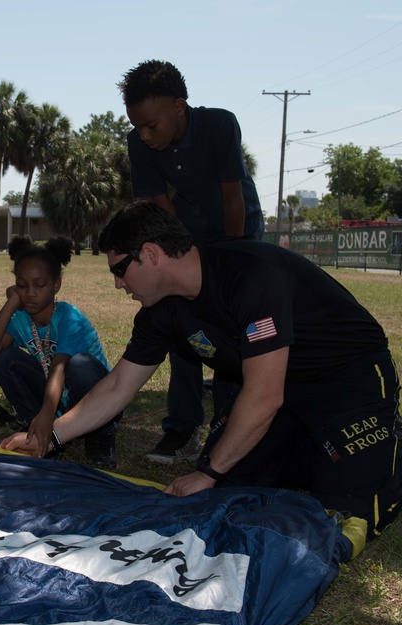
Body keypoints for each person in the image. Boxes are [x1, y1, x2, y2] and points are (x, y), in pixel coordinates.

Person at [1, 202, 402, 542]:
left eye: (120, 270)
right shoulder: (161, 310)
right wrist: (49, 436)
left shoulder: (250, 275)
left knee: (346, 507)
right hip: (279, 388)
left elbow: (264, 396)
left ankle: (399, 452)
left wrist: (209, 472)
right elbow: (117, 385)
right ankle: (323, 445)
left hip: (349, 378)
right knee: (241, 482)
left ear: (150, 254)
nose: (118, 284)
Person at [119, 60, 264, 465]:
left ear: (179, 107)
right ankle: (182, 429)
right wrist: (182, 255)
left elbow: (232, 198)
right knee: (182, 321)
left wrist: (229, 261)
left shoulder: (219, 125)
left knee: (235, 330)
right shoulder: (139, 142)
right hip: (186, 233)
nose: (145, 135)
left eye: (152, 125)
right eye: (138, 126)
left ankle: (228, 426)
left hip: (239, 233)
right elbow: (160, 207)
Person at [0, 236, 119, 468]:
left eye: (39, 285)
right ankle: (37, 429)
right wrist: (11, 303)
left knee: (80, 364)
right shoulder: (21, 318)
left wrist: (46, 415)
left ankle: (100, 433)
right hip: (56, 399)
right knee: (2, 357)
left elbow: (59, 367)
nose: (30, 293)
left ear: (56, 285)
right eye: (22, 286)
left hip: (93, 400)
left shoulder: (70, 318)